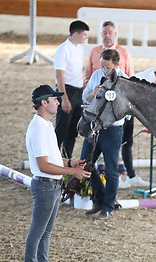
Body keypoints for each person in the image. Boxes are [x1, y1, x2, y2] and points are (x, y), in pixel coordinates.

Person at [20, 85, 91, 262]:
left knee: (46, 231)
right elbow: (43, 165)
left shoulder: (46, 125)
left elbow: (52, 158)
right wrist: (73, 173)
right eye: (54, 99)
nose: (58, 102)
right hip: (45, 185)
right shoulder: (38, 128)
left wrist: (70, 163)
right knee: (37, 231)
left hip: (52, 185)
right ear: (44, 102)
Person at [81, 49, 127, 220]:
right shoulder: (96, 75)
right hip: (94, 126)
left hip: (112, 128)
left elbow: (127, 111)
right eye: (102, 67)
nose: (104, 71)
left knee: (110, 168)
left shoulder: (124, 80)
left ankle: (108, 206)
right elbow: (85, 97)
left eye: (107, 68)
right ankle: (99, 200)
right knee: (86, 162)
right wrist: (93, 93)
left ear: (116, 65)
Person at [117, 65, 156, 189]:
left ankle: (131, 176)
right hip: (121, 113)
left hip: (129, 114)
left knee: (127, 144)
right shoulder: (144, 80)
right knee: (117, 145)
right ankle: (117, 177)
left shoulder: (154, 76)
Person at [53, 20, 89, 159]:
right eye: (84, 35)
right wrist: (64, 98)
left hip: (78, 91)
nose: (86, 37)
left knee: (73, 131)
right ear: (76, 34)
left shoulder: (79, 48)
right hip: (66, 90)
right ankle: (53, 159)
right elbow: (59, 75)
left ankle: (66, 158)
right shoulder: (63, 49)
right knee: (62, 129)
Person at [84, 20, 135, 86]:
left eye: (110, 33)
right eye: (105, 33)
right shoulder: (94, 51)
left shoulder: (124, 52)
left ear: (115, 34)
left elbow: (130, 77)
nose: (107, 35)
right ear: (101, 34)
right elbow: (87, 76)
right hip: (97, 91)